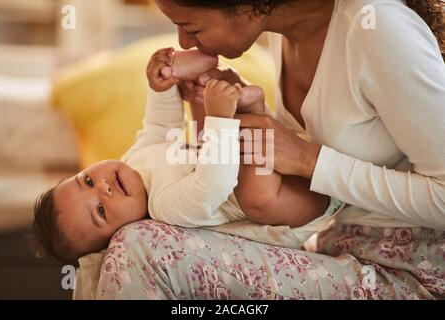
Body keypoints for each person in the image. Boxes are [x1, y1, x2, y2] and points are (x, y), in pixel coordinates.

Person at [93, 0, 444, 299]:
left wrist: (310, 160)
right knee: (101, 251)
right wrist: (238, 111)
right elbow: (289, 171)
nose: (183, 40)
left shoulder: (377, 28)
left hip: (407, 273)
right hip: (336, 247)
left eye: (188, 25)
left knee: (142, 248)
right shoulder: (286, 37)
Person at [30, 47, 342, 266]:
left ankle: (209, 79)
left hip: (270, 162)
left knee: (196, 109)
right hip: (295, 203)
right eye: (100, 210)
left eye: (87, 180)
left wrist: (161, 85)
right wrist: (220, 117)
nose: (104, 188)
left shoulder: (134, 162)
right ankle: (252, 109)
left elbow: (157, 125)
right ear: (117, 237)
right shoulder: (165, 208)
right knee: (254, 196)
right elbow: (216, 182)